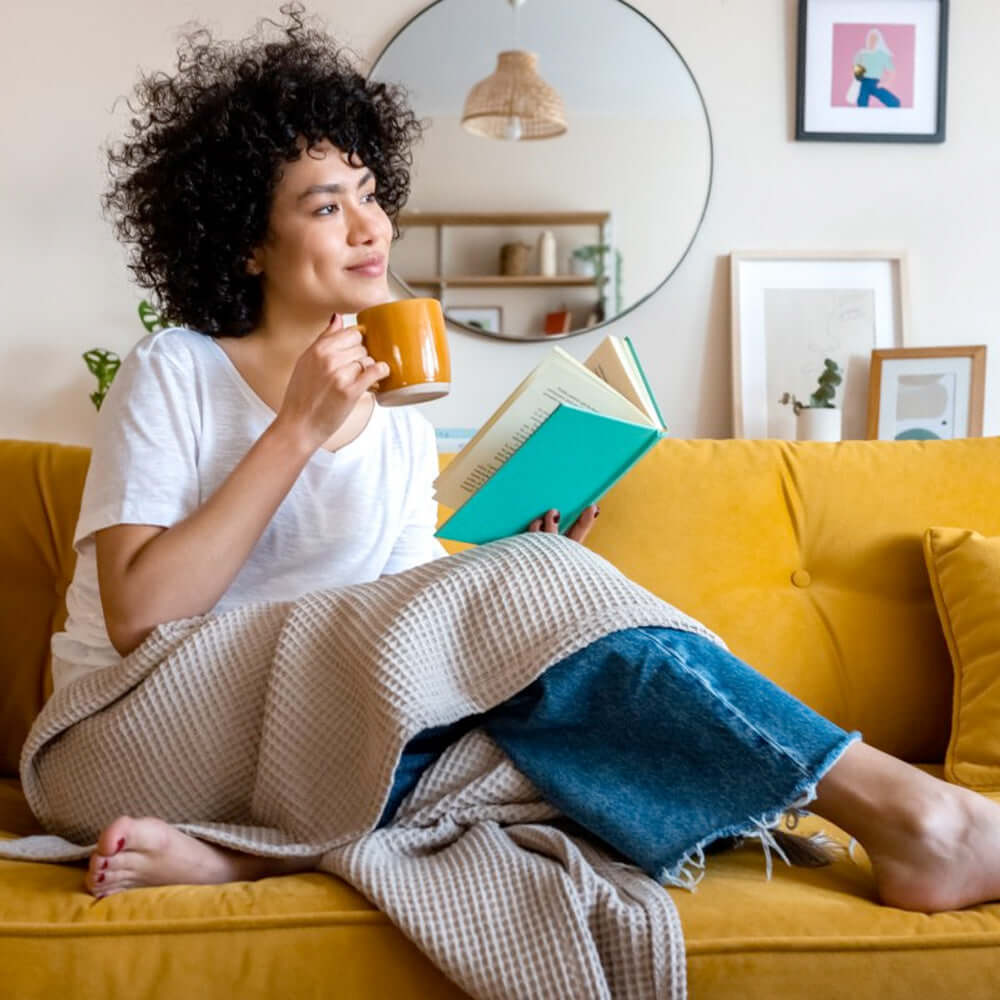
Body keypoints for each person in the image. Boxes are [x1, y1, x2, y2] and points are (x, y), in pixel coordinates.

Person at [53, 6, 1000, 914]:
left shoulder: (395, 423)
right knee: (555, 709)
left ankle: (240, 856)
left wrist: (534, 566)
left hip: (304, 743)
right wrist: (295, 430)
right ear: (248, 243)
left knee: (565, 737)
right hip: (130, 736)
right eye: (325, 205)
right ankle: (918, 815)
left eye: (371, 194)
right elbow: (141, 618)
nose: (370, 227)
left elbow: (397, 648)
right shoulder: (175, 370)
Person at [853, 28, 901, 108]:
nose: (872, 41)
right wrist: (858, 77)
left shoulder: (882, 55)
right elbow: (856, 67)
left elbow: (892, 71)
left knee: (893, 103)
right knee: (861, 103)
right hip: (864, 81)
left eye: (875, 39)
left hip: (875, 82)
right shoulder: (862, 53)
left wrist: (886, 83)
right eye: (870, 38)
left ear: (879, 40)